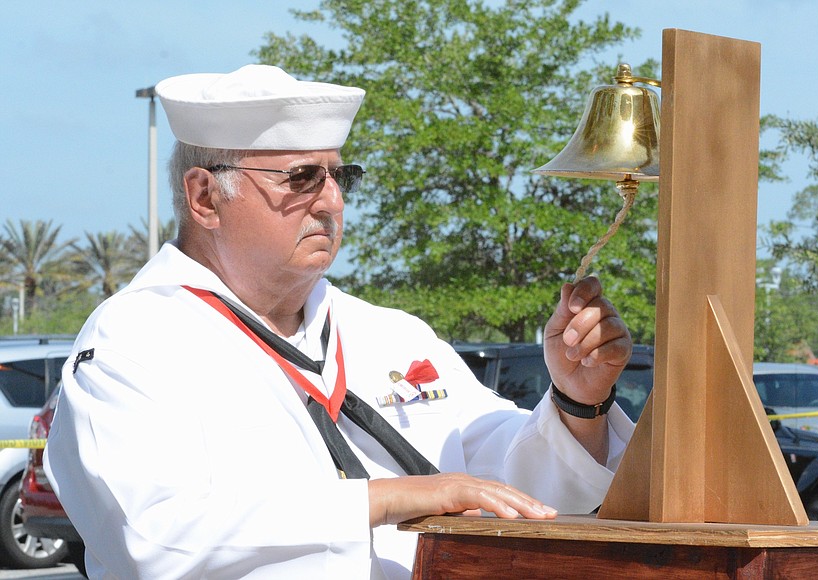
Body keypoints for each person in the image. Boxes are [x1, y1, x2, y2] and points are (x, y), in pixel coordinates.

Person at [45, 64, 634, 579]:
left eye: (339, 177)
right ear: (204, 198)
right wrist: (386, 499)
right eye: (300, 178)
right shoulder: (134, 343)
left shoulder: (390, 334)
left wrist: (577, 403)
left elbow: (506, 478)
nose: (331, 202)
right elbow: (152, 537)